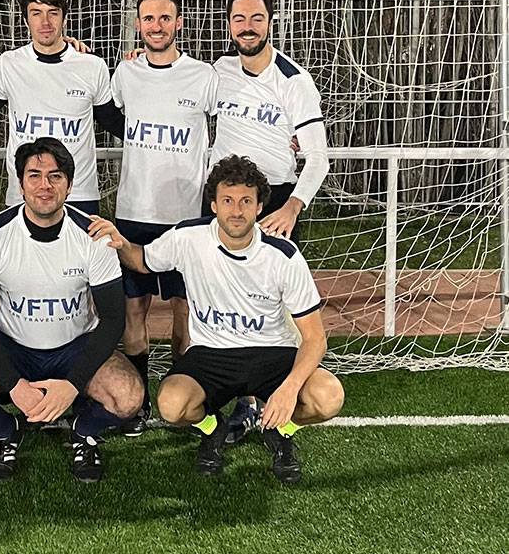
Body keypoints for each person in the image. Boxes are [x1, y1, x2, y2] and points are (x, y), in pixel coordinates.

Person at [89, 155, 344, 484]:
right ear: (213, 205)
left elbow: (315, 338)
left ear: (259, 207)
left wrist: (289, 390)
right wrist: (120, 241)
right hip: (211, 353)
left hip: (273, 353)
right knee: (171, 404)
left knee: (329, 396)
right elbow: (142, 261)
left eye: (246, 201)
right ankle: (213, 428)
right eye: (227, 200)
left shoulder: (283, 255)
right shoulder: (188, 237)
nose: (236, 211)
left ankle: (281, 431)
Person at [0, 137, 143, 483]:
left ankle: (84, 431)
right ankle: (5, 430)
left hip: (75, 347)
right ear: (20, 184)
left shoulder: (93, 235)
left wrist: (72, 384)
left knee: (129, 398)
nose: (45, 185)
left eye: (55, 176)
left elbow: (113, 320)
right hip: (13, 347)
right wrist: (14, 385)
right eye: (34, 175)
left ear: (69, 184)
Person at [211, 0, 331, 442]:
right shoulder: (219, 71)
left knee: (275, 305)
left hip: (275, 200)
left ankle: (278, 398)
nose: (248, 27)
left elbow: (318, 157)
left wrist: (293, 207)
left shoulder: (294, 80)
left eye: (256, 18)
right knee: (226, 298)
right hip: (225, 199)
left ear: (269, 22)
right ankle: (239, 398)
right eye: (239, 19)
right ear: (228, 25)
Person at [107, 0, 218, 435]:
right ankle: (137, 402)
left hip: (186, 218)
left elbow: (235, 116)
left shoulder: (203, 76)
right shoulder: (125, 73)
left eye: (165, 18)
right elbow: (104, 107)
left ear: (178, 23)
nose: (157, 26)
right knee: (133, 311)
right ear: (138, 24)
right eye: (149, 19)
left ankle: (180, 395)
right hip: (134, 212)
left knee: (183, 313)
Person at [0, 0, 125, 214]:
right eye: (36, 13)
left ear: (64, 18)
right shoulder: (9, 64)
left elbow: (113, 122)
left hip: (79, 194)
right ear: (26, 20)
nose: (45, 22)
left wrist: (145, 66)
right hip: (25, 194)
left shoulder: (91, 66)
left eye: (53, 13)